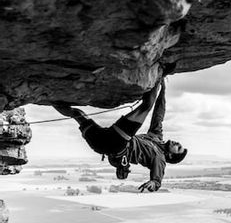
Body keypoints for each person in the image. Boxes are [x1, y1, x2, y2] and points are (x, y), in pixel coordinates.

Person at [53, 79, 187, 192]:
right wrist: (163, 91)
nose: (178, 144)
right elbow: (159, 115)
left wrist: (154, 183)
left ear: (170, 156)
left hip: (117, 142)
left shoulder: (160, 157)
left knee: (145, 107)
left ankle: (159, 75)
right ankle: (51, 97)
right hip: (103, 143)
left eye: (179, 148)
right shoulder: (156, 136)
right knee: (76, 113)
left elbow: (158, 178)